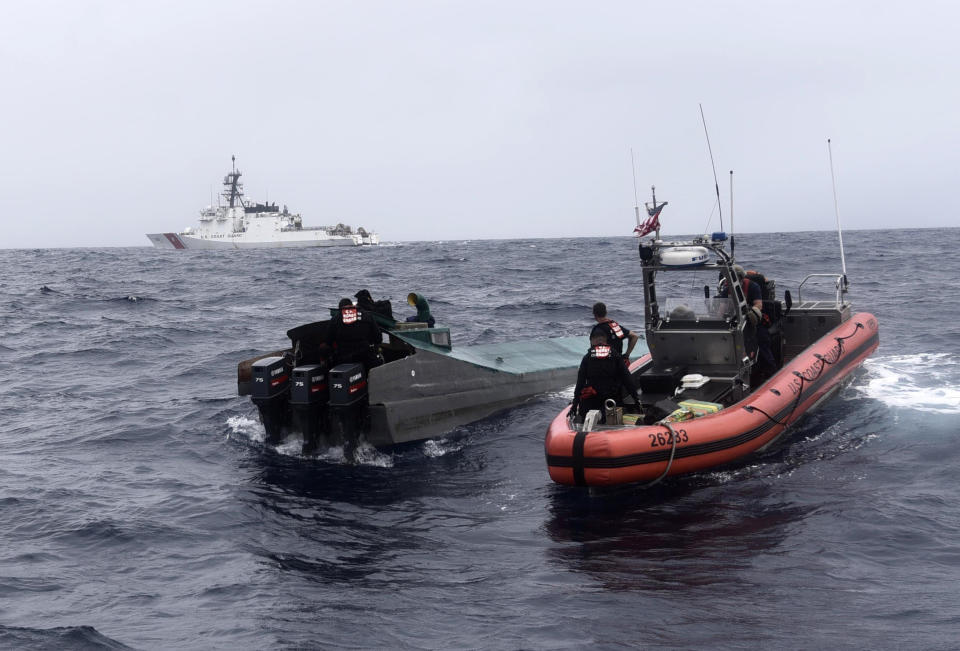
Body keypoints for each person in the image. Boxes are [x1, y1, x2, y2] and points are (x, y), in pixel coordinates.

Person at [720, 265, 775, 382]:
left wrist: (751, 313)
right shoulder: (727, 289)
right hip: (734, 321)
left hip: (752, 321)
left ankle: (771, 371)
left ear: (740, 277)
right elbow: (722, 309)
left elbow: (758, 304)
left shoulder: (753, 286)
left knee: (762, 339)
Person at [571, 333, 641, 423]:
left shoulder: (587, 357)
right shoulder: (616, 355)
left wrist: (575, 403)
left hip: (592, 398)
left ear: (592, 341)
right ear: (606, 341)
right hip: (612, 399)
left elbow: (580, 382)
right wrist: (636, 399)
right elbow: (627, 378)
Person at [325, 298, 382, 371]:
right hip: (365, 357)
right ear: (352, 305)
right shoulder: (367, 316)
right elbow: (378, 338)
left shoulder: (335, 319)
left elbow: (328, 341)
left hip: (343, 359)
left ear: (340, 309)